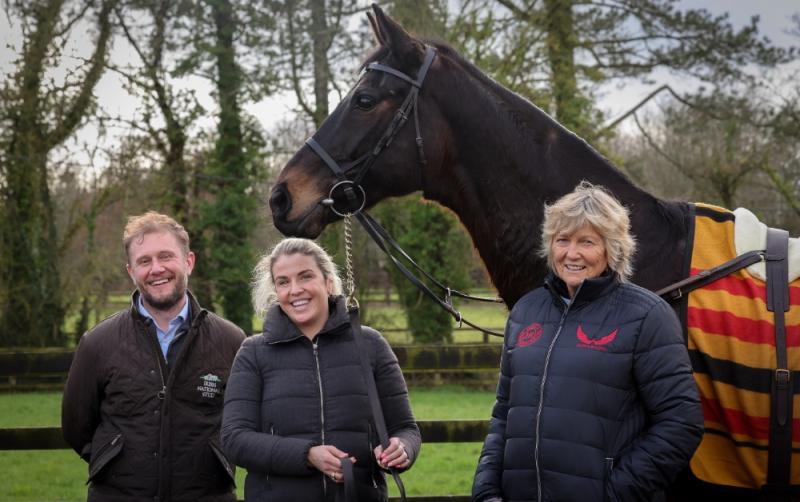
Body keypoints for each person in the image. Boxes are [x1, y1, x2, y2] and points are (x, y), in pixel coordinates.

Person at [472, 182, 704, 502]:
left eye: (587, 242)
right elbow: (503, 416)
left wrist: (612, 493)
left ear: (612, 248)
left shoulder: (647, 316)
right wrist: (486, 489)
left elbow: (681, 424)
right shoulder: (526, 312)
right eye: (562, 240)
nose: (572, 253)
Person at [62, 211, 246, 501]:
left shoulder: (231, 341)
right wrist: (118, 466)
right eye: (144, 261)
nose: (156, 268)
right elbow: (77, 427)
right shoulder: (97, 343)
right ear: (131, 271)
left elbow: (245, 421)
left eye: (166, 256)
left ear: (189, 262)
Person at [221, 237, 421, 501]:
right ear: (275, 291)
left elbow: (406, 428)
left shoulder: (370, 344)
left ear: (328, 283)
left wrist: (403, 448)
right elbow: (235, 440)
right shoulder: (254, 352)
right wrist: (307, 455)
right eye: (283, 282)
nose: (295, 290)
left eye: (305, 277)